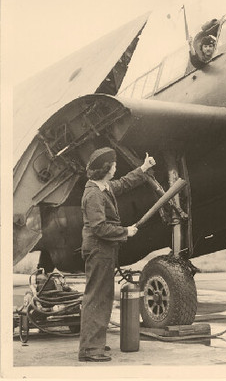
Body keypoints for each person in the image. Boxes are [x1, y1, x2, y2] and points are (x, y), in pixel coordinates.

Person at [78, 147, 156, 362]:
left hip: (104, 249)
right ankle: (91, 350)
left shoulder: (103, 187)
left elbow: (124, 183)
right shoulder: (93, 194)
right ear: (106, 169)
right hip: (98, 248)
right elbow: (99, 227)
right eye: (113, 165)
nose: (116, 167)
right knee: (97, 296)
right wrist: (125, 231)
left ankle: (95, 343)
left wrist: (143, 168)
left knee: (102, 295)